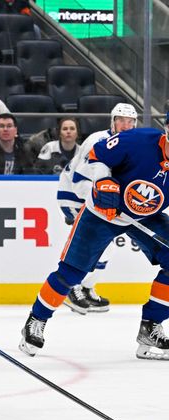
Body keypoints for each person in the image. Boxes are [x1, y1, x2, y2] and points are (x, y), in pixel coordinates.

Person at [19, 114, 169, 361]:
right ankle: (36, 320)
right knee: (71, 273)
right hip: (102, 212)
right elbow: (97, 155)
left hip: (144, 216)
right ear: (166, 128)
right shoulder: (139, 140)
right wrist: (103, 180)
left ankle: (151, 327)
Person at [55, 103, 138, 314]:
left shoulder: (132, 143)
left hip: (99, 199)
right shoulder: (98, 141)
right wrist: (105, 201)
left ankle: (86, 287)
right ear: (112, 121)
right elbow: (78, 180)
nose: (125, 125)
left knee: (105, 248)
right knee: (91, 247)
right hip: (74, 197)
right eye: (121, 120)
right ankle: (72, 289)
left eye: (130, 121)